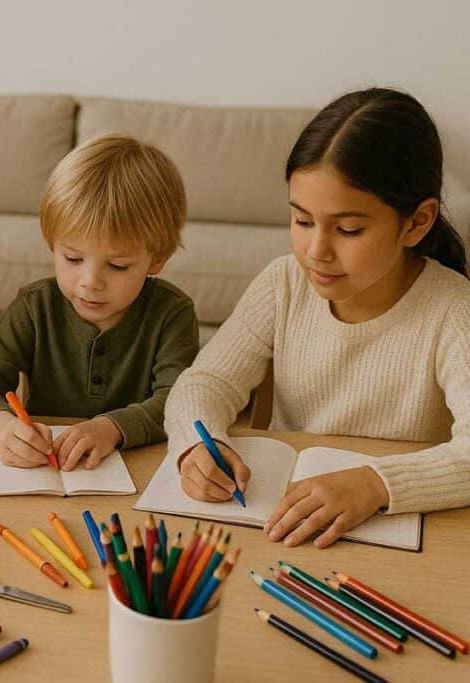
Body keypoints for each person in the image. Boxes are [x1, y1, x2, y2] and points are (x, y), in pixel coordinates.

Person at [166, 88, 470, 548]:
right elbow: (205, 382)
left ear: (417, 222)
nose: (316, 252)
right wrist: (196, 443)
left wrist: (375, 484)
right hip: (284, 529)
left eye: (348, 229)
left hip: (395, 541)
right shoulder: (282, 283)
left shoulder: (453, 310)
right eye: (303, 221)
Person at [0, 134, 198, 470]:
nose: (90, 282)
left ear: (157, 260)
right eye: (72, 258)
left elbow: (178, 402)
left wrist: (111, 428)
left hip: (137, 470)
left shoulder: (172, 314)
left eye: (117, 265)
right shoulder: (35, 307)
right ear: (52, 244)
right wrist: (0, 426)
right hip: (44, 473)